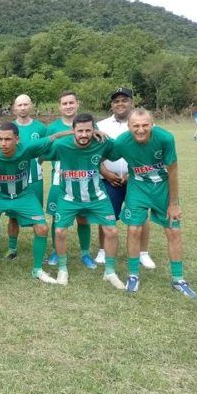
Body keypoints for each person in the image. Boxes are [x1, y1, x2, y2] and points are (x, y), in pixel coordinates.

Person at [0, 122, 71, 284]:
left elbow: (53, 137)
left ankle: (37, 270)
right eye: (0, 139)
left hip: (23, 195)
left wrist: (80, 132)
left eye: (8, 139)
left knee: (42, 228)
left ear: (17, 139)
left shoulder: (28, 148)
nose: (3, 143)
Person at [110, 108, 196, 298]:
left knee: (173, 231)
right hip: (138, 188)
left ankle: (178, 279)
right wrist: (107, 173)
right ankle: (133, 275)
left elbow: (173, 171)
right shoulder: (122, 141)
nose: (140, 130)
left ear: (152, 124)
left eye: (145, 125)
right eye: (136, 126)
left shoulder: (165, 138)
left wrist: (173, 203)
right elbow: (101, 152)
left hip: (162, 189)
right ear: (128, 126)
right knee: (134, 229)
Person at [41, 114, 124, 289]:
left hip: (97, 197)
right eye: (80, 131)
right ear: (73, 131)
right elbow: (40, 151)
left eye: (88, 130)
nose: (84, 134)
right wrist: (59, 135)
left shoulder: (102, 143)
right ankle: (63, 269)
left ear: (94, 130)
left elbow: (122, 148)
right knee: (60, 231)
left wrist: (105, 135)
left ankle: (110, 272)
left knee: (112, 231)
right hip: (69, 198)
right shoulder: (62, 145)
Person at [95, 88, 155, 269]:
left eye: (124, 100)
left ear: (132, 102)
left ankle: (142, 253)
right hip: (108, 179)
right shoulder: (101, 125)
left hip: (137, 179)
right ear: (111, 105)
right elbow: (94, 154)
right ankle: (103, 250)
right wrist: (104, 172)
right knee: (105, 215)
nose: (120, 104)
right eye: (116, 101)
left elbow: (152, 155)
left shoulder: (144, 124)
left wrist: (133, 173)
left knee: (141, 216)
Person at [45, 91, 94, 269]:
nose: (68, 106)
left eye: (71, 103)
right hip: (59, 180)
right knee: (57, 218)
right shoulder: (52, 128)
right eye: (64, 103)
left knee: (83, 218)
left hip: (84, 180)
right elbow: (44, 151)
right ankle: (56, 251)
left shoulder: (88, 124)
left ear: (77, 104)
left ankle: (86, 253)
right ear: (60, 106)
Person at [5, 94, 49, 261]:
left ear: (31, 106)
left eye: (25, 104)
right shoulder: (8, 128)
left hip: (35, 180)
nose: (22, 108)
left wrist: (40, 160)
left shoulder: (40, 128)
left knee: (37, 216)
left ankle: (41, 250)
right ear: (14, 108)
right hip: (14, 181)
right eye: (19, 105)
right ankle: (12, 248)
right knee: (13, 216)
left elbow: (48, 148)